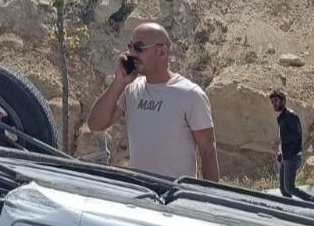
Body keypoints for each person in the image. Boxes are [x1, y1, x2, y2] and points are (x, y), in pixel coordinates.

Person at [86, 22, 219, 181]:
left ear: (162, 51)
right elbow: (95, 124)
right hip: (139, 190)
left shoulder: (190, 95)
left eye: (139, 48)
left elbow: (208, 151)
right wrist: (119, 82)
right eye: (131, 46)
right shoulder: (131, 89)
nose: (132, 53)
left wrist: (207, 200)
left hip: (175, 194)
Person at [270, 90, 314, 203]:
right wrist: (279, 150)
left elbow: (296, 135)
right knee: (284, 190)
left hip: (292, 156)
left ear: (283, 101)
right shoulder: (281, 118)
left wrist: (282, 144)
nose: (274, 104)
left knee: (289, 188)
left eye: (276, 101)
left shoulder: (290, 115)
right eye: (272, 102)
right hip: (284, 156)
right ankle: (290, 208)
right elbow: (281, 135)